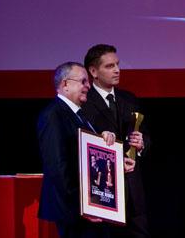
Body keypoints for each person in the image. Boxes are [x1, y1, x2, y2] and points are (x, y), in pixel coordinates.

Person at [37, 61, 135, 238]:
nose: (88, 86)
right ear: (65, 84)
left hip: (87, 209)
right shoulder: (54, 115)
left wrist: (116, 163)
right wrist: (82, 206)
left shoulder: (79, 115)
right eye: (83, 81)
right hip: (73, 211)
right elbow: (57, 167)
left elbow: (87, 159)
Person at [80, 44, 150, 238]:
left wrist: (141, 144)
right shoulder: (84, 103)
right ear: (93, 71)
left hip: (133, 194)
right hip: (103, 192)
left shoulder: (129, 99)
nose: (117, 70)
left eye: (117, 64)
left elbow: (145, 136)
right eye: (110, 66)